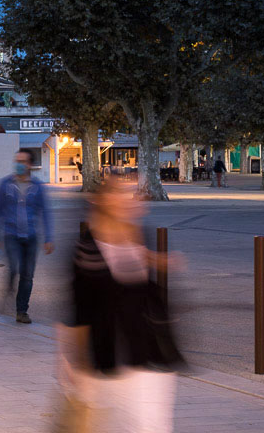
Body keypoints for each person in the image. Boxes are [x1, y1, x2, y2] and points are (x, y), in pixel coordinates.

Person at [64, 176, 182, 431]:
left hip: (150, 355)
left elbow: (139, 282)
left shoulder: (139, 236)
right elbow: (80, 310)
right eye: (120, 194)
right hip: (109, 357)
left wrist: (158, 261)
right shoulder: (86, 250)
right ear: (102, 202)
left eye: (128, 194)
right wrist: (75, 362)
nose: (128, 200)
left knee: (152, 426)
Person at [0, 149, 54, 324]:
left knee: (27, 275)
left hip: (31, 237)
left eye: (23, 161)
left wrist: (49, 238)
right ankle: (10, 285)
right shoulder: (5, 184)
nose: (19, 164)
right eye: (17, 161)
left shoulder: (38, 187)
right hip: (11, 235)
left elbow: (45, 212)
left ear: (30, 165)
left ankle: (22, 311)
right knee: (14, 267)